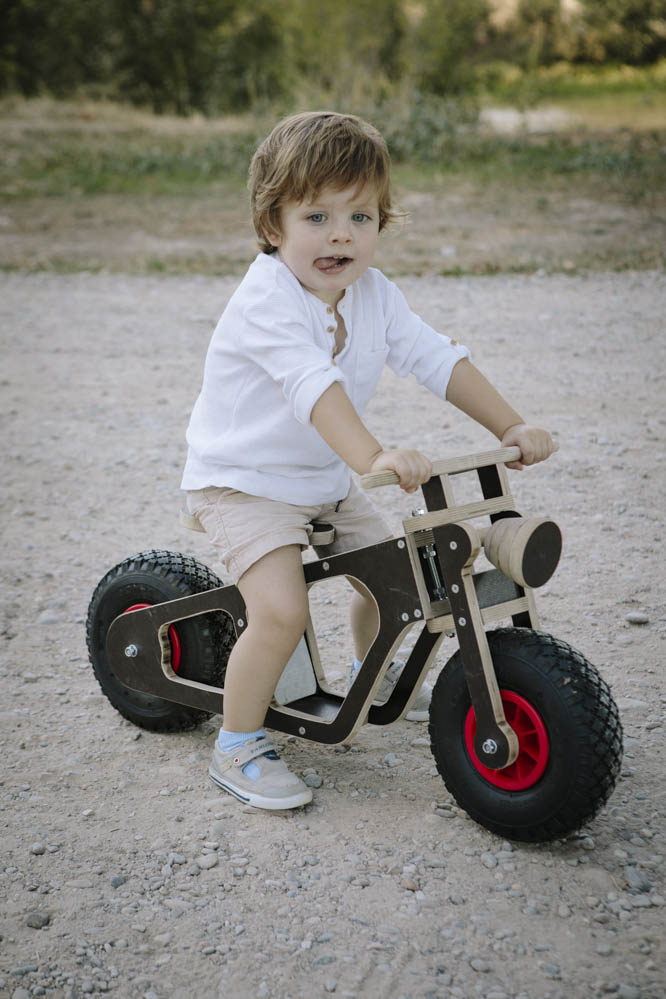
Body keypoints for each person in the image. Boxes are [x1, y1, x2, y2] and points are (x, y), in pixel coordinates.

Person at [181, 111, 556, 810]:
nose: (341, 235)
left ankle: (367, 672)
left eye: (360, 215)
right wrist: (374, 454)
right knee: (281, 610)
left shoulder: (376, 294)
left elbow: (437, 360)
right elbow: (311, 388)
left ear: (382, 223)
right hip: (245, 484)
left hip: (320, 480)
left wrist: (514, 423)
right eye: (316, 216)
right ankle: (237, 743)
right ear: (272, 226)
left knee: (402, 576)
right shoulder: (266, 298)